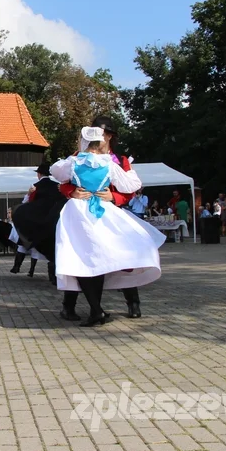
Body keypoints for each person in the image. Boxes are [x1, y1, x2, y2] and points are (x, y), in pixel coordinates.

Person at [51, 126, 165, 327]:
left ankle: (98, 311)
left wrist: (112, 196)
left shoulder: (73, 161)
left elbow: (56, 173)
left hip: (78, 212)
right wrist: (77, 191)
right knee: (98, 258)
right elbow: (131, 184)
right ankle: (96, 311)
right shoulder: (109, 164)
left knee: (82, 257)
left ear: (84, 141)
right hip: (102, 211)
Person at [11, 162, 65, 280]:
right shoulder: (57, 186)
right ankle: (53, 274)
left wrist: (29, 194)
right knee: (53, 244)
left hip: (35, 219)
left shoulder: (35, 186)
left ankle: (17, 267)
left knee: (26, 240)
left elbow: (27, 201)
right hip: (53, 218)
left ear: (39, 174)